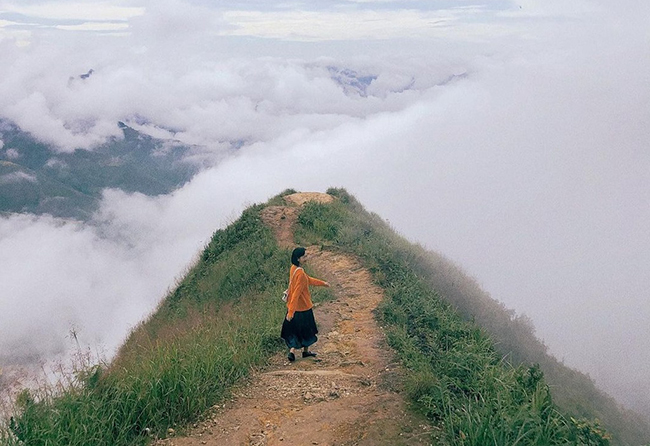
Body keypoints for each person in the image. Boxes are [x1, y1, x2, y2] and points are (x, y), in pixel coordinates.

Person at [281, 247, 330, 362]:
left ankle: (292, 352)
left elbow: (309, 280)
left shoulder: (293, 269)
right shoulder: (301, 274)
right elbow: (297, 293)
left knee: (294, 330)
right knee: (307, 331)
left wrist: (323, 283)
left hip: (293, 307)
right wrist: (291, 312)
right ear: (298, 259)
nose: (306, 258)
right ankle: (305, 352)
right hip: (303, 307)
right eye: (304, 256)